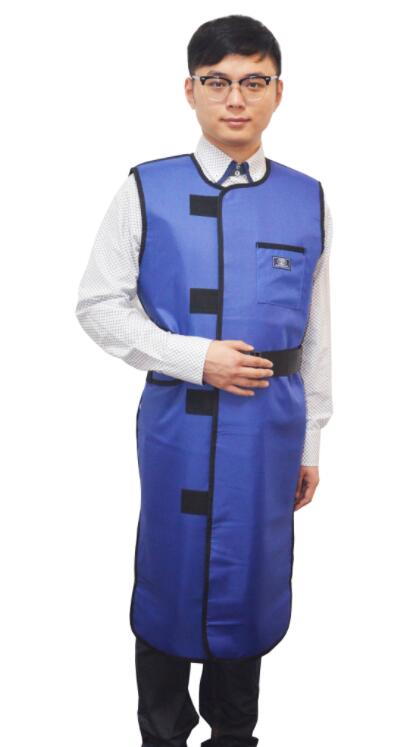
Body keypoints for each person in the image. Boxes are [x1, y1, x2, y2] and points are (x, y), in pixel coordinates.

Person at [75, 14, 333, 747]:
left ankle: (234, 732)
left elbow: (317, 332)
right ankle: (161, 731)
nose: (236, 99)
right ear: (190, 90)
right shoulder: (146, 188)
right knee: (172, 563)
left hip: (269, 429)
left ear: (278, 91)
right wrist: (196, 358)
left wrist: (311, 439)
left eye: (254, 81)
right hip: (177, 425)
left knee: (250, 572)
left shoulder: (308, 197)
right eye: (217, 82)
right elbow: (98, 305)